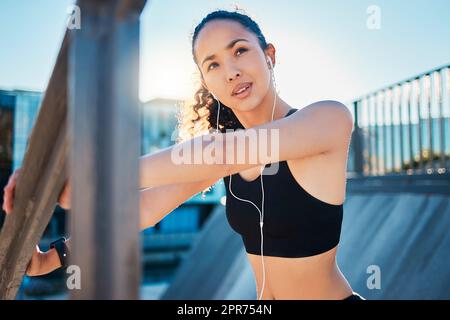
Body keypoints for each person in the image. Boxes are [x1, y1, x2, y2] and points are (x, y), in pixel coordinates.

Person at [3, 9, 365, 300]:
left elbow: (222, 152)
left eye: (240, 50)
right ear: (205, 82)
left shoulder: (327, 118)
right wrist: (51, 257)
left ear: (269, 55)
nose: (232, 71)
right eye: (213, 65)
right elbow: (142, 209)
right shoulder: (226, 153)